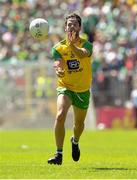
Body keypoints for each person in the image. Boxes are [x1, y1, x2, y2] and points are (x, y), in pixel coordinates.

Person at [47, 13, 93, 165]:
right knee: (60, 115)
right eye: (69, 24)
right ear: (65, 27)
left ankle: (75, 141)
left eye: (74, 24)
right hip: (65, 87)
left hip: (82, 90)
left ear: (79, 27)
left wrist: (72, 44)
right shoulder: (58, 48)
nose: (71, 26)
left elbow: (82, 55)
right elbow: (57, 63)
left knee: (78, 125)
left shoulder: (86, 44)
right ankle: (58, 154)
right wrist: (58, 70)